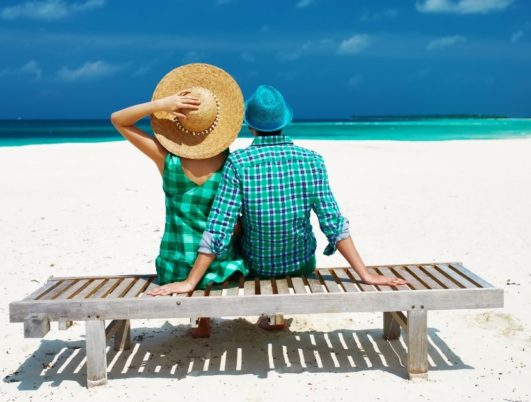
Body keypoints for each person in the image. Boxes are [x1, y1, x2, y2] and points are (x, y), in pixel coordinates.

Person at [148, 85, 407, 328]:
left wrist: (191, 281)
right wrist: (365, 274)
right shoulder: (312, 161)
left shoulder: (238, 162)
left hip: (258, 266)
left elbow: (219, 227)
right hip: (301, 262)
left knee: (238, 229)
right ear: (285, 122)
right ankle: (275, 316)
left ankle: (207, 319)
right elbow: (333, 223)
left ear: (249, 126)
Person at [111, 64, 247, 336]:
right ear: (218, 124)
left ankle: (201, 319)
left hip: (175, 265)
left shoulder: (167, 161)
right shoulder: (231, 164)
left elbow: (118, 119)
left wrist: (160, 104)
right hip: (224, 267)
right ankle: (206, 313)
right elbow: (234, 224)